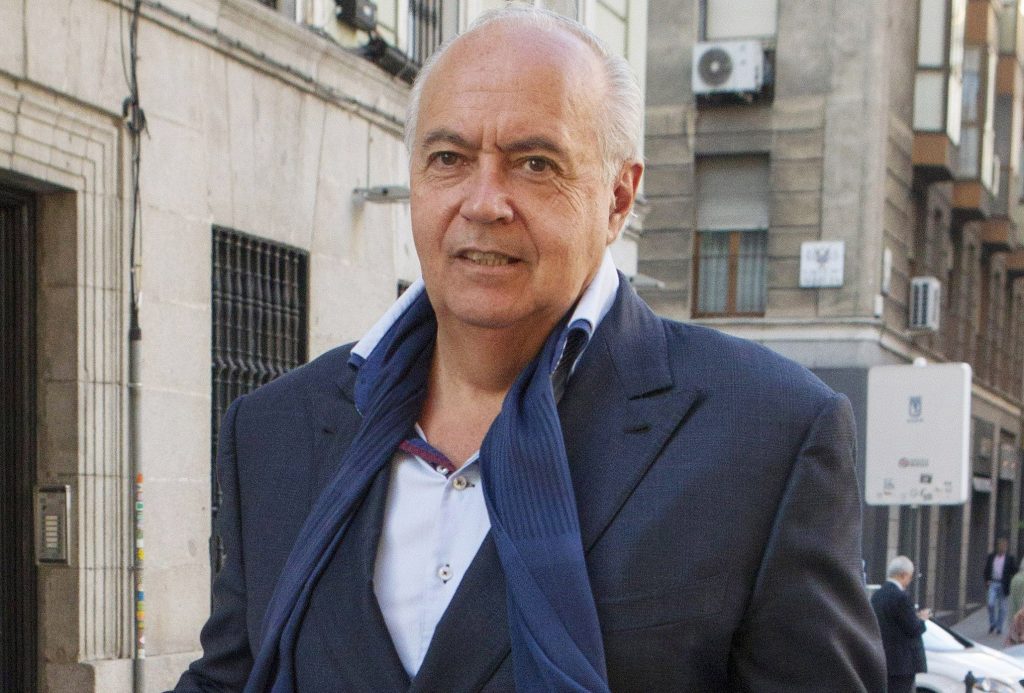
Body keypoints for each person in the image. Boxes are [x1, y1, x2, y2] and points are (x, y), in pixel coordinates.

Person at [173, 6, 885, 692]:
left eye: (535, 164)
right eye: (449, 158)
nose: (484, 202)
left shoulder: (767, 435)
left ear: (618, 197)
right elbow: (233, 676)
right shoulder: (275, 429)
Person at [871, 556, 929, 693]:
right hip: (902, 664)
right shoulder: (901, 597)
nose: (909, 580)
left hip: (884, 659)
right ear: (903, 575)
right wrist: (922, 619)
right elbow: (913, 628)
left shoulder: (877, 596)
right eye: (910, 576)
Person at [984, 537, 1018, 634]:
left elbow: (1014, 571)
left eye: (1004, 546)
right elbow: (986, 569)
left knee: (1002, 608)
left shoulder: (1009, 558)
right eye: (1001, 546)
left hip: (1003, 585)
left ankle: (999, 627)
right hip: (993, 583)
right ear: (997, 547)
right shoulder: (991, 557)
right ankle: (992, 623)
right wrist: (987, 580)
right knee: (990, 604)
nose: (1002, 548)